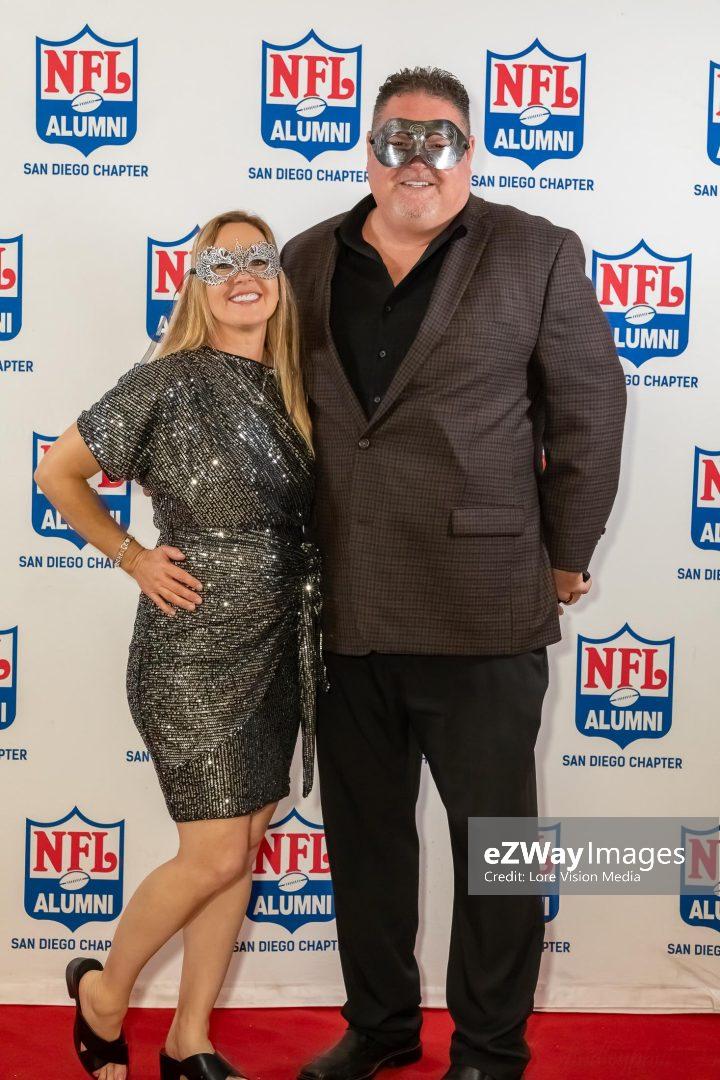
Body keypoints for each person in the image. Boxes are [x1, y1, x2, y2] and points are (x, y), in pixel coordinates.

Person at [281, 68, 627, 1080]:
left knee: (497, 851)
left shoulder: (537, 251)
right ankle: (381, 1027)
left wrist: (566, 555)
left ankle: (489, 1047)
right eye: (396, 140)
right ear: (370, 152)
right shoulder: (307, 257)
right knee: (366, 843)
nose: (417, 161)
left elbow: (588, 411)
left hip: (484, 604)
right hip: (344, 607)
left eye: (439, 141)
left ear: (469, 152)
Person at [34, 211, 323, 1080]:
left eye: (258, 259)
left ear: (279, 280)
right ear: (197, 284)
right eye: (221, 262)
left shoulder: (300, 385)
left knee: (245, 842)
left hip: (279, 643)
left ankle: (189, 1037)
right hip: (192, 649)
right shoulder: (167, 380)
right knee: (216, 851)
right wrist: (130, 555)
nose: (243, 275)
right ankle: (105, 994)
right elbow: (57, 472)